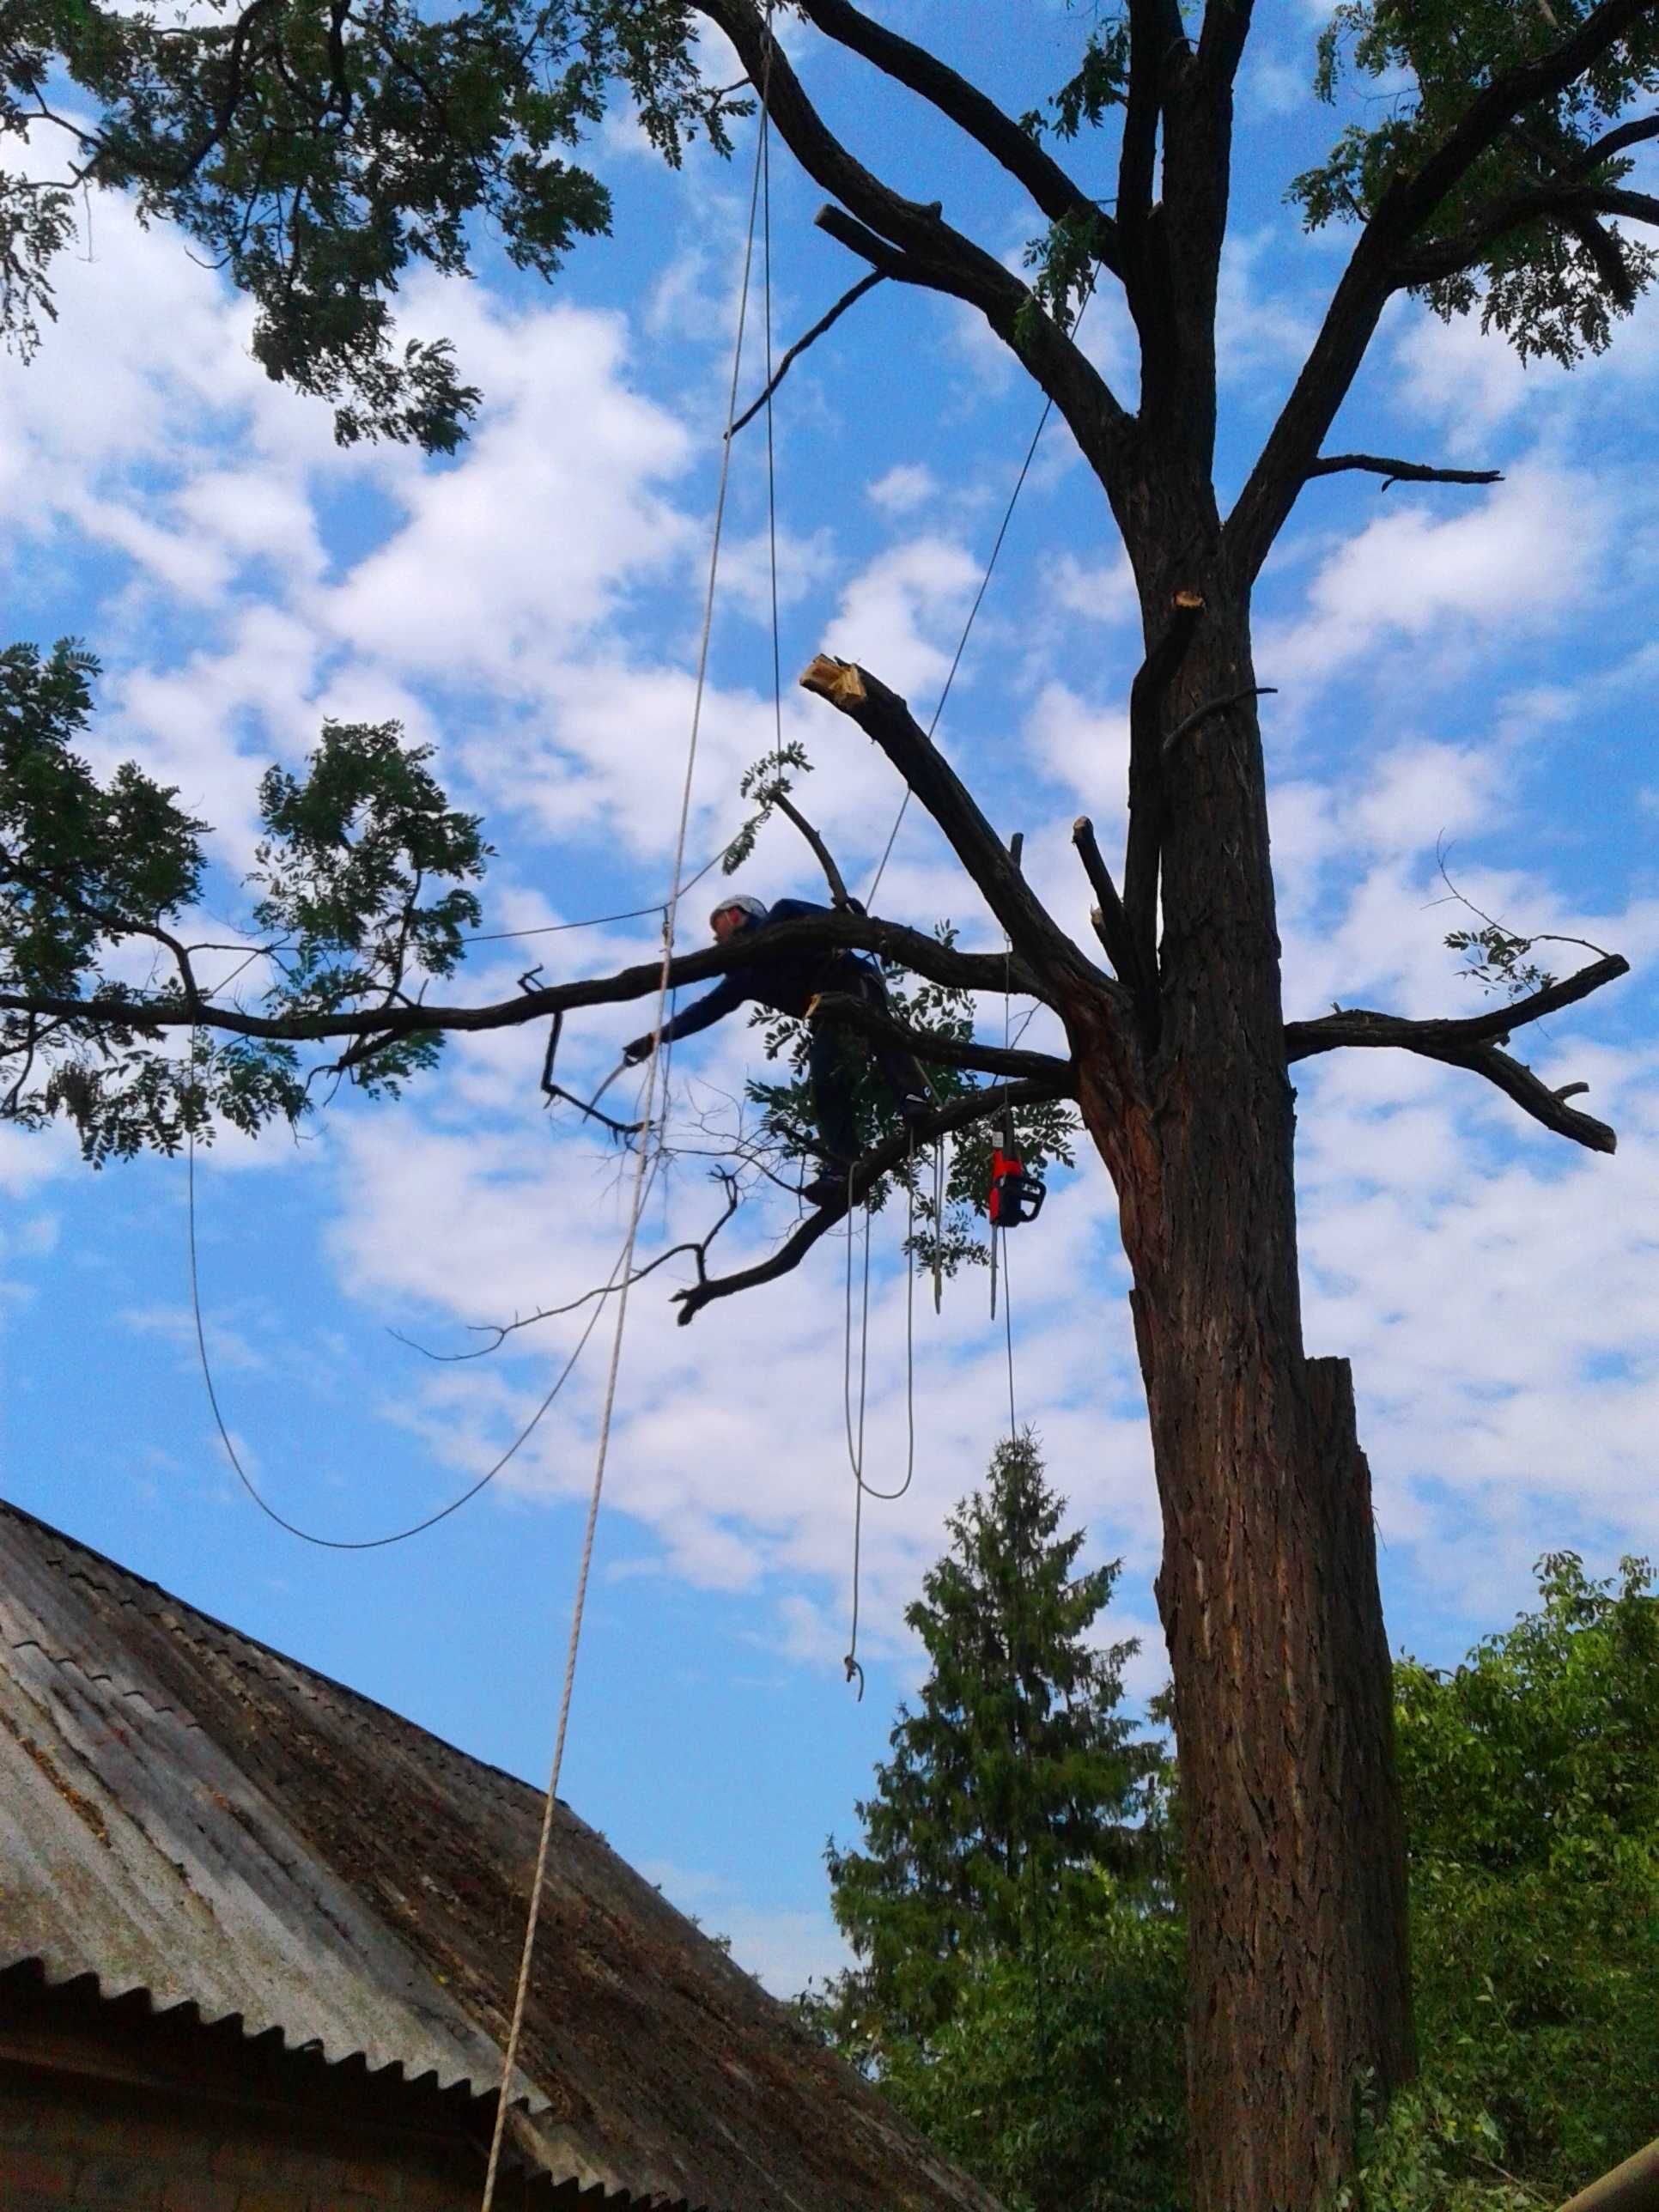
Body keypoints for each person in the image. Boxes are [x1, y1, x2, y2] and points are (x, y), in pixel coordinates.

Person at [623, 894, 932, 1204]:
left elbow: (829, 922)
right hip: (828, 1010)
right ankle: (843, 1167)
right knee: (825, 1082)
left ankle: (913, 1098)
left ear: (734, 915)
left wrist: (860, 926)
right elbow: (705, 1010)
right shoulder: (743, 975)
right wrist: (657, 1037)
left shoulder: (784, 915)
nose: (716, 939)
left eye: (718, 928)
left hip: (852, 980)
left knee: (881, 1033)